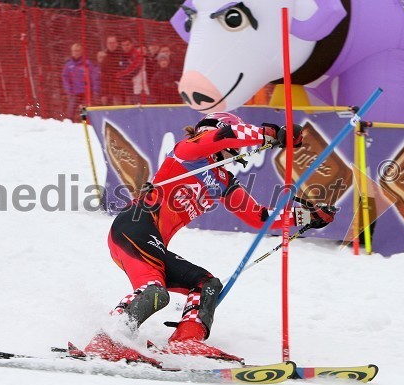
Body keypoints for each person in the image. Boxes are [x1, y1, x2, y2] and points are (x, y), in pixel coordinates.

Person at [83, 112, 336, 365]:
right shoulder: (187, 152)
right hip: (133, 228)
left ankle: (185, 341)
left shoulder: (222, 180)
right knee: (155, 293)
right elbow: (224, 137)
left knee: (207, 285)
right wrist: (270, 134)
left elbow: (259, 217)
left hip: (154, 243)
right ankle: (108, 339)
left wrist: (307, 216)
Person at [61, 43, 95, 121]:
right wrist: (68, 89)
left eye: (78, 51)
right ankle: (70, 124)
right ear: (72, 52)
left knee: (84, 112)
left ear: (81, 52)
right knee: (70, 111)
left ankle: (85, 123)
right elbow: (65, 78)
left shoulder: (87, 63)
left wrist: (92, 89)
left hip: (85, 93)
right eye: (74, 51)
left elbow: (93, 77)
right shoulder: (68, 65)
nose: (76, 53)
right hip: (74, 93)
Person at [116, 37, 144, 105]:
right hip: (124, 87)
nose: (126, 47)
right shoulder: (121, 55)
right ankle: (84, 115)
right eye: (123, 45)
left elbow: (134, 69)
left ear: (132, 44)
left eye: (127, 44)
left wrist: (121, 75)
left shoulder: (136, 55)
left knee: (135, 107)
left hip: (136, 87)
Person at [100, 35, 123, 106]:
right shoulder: (105, 58)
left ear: (117, 43)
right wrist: (103, 94)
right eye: (109, 43)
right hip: (108, 90)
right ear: (107, 44)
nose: (111, 45)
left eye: (113, 42)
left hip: (120, 90)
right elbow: (103, 77)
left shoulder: (122, 55)